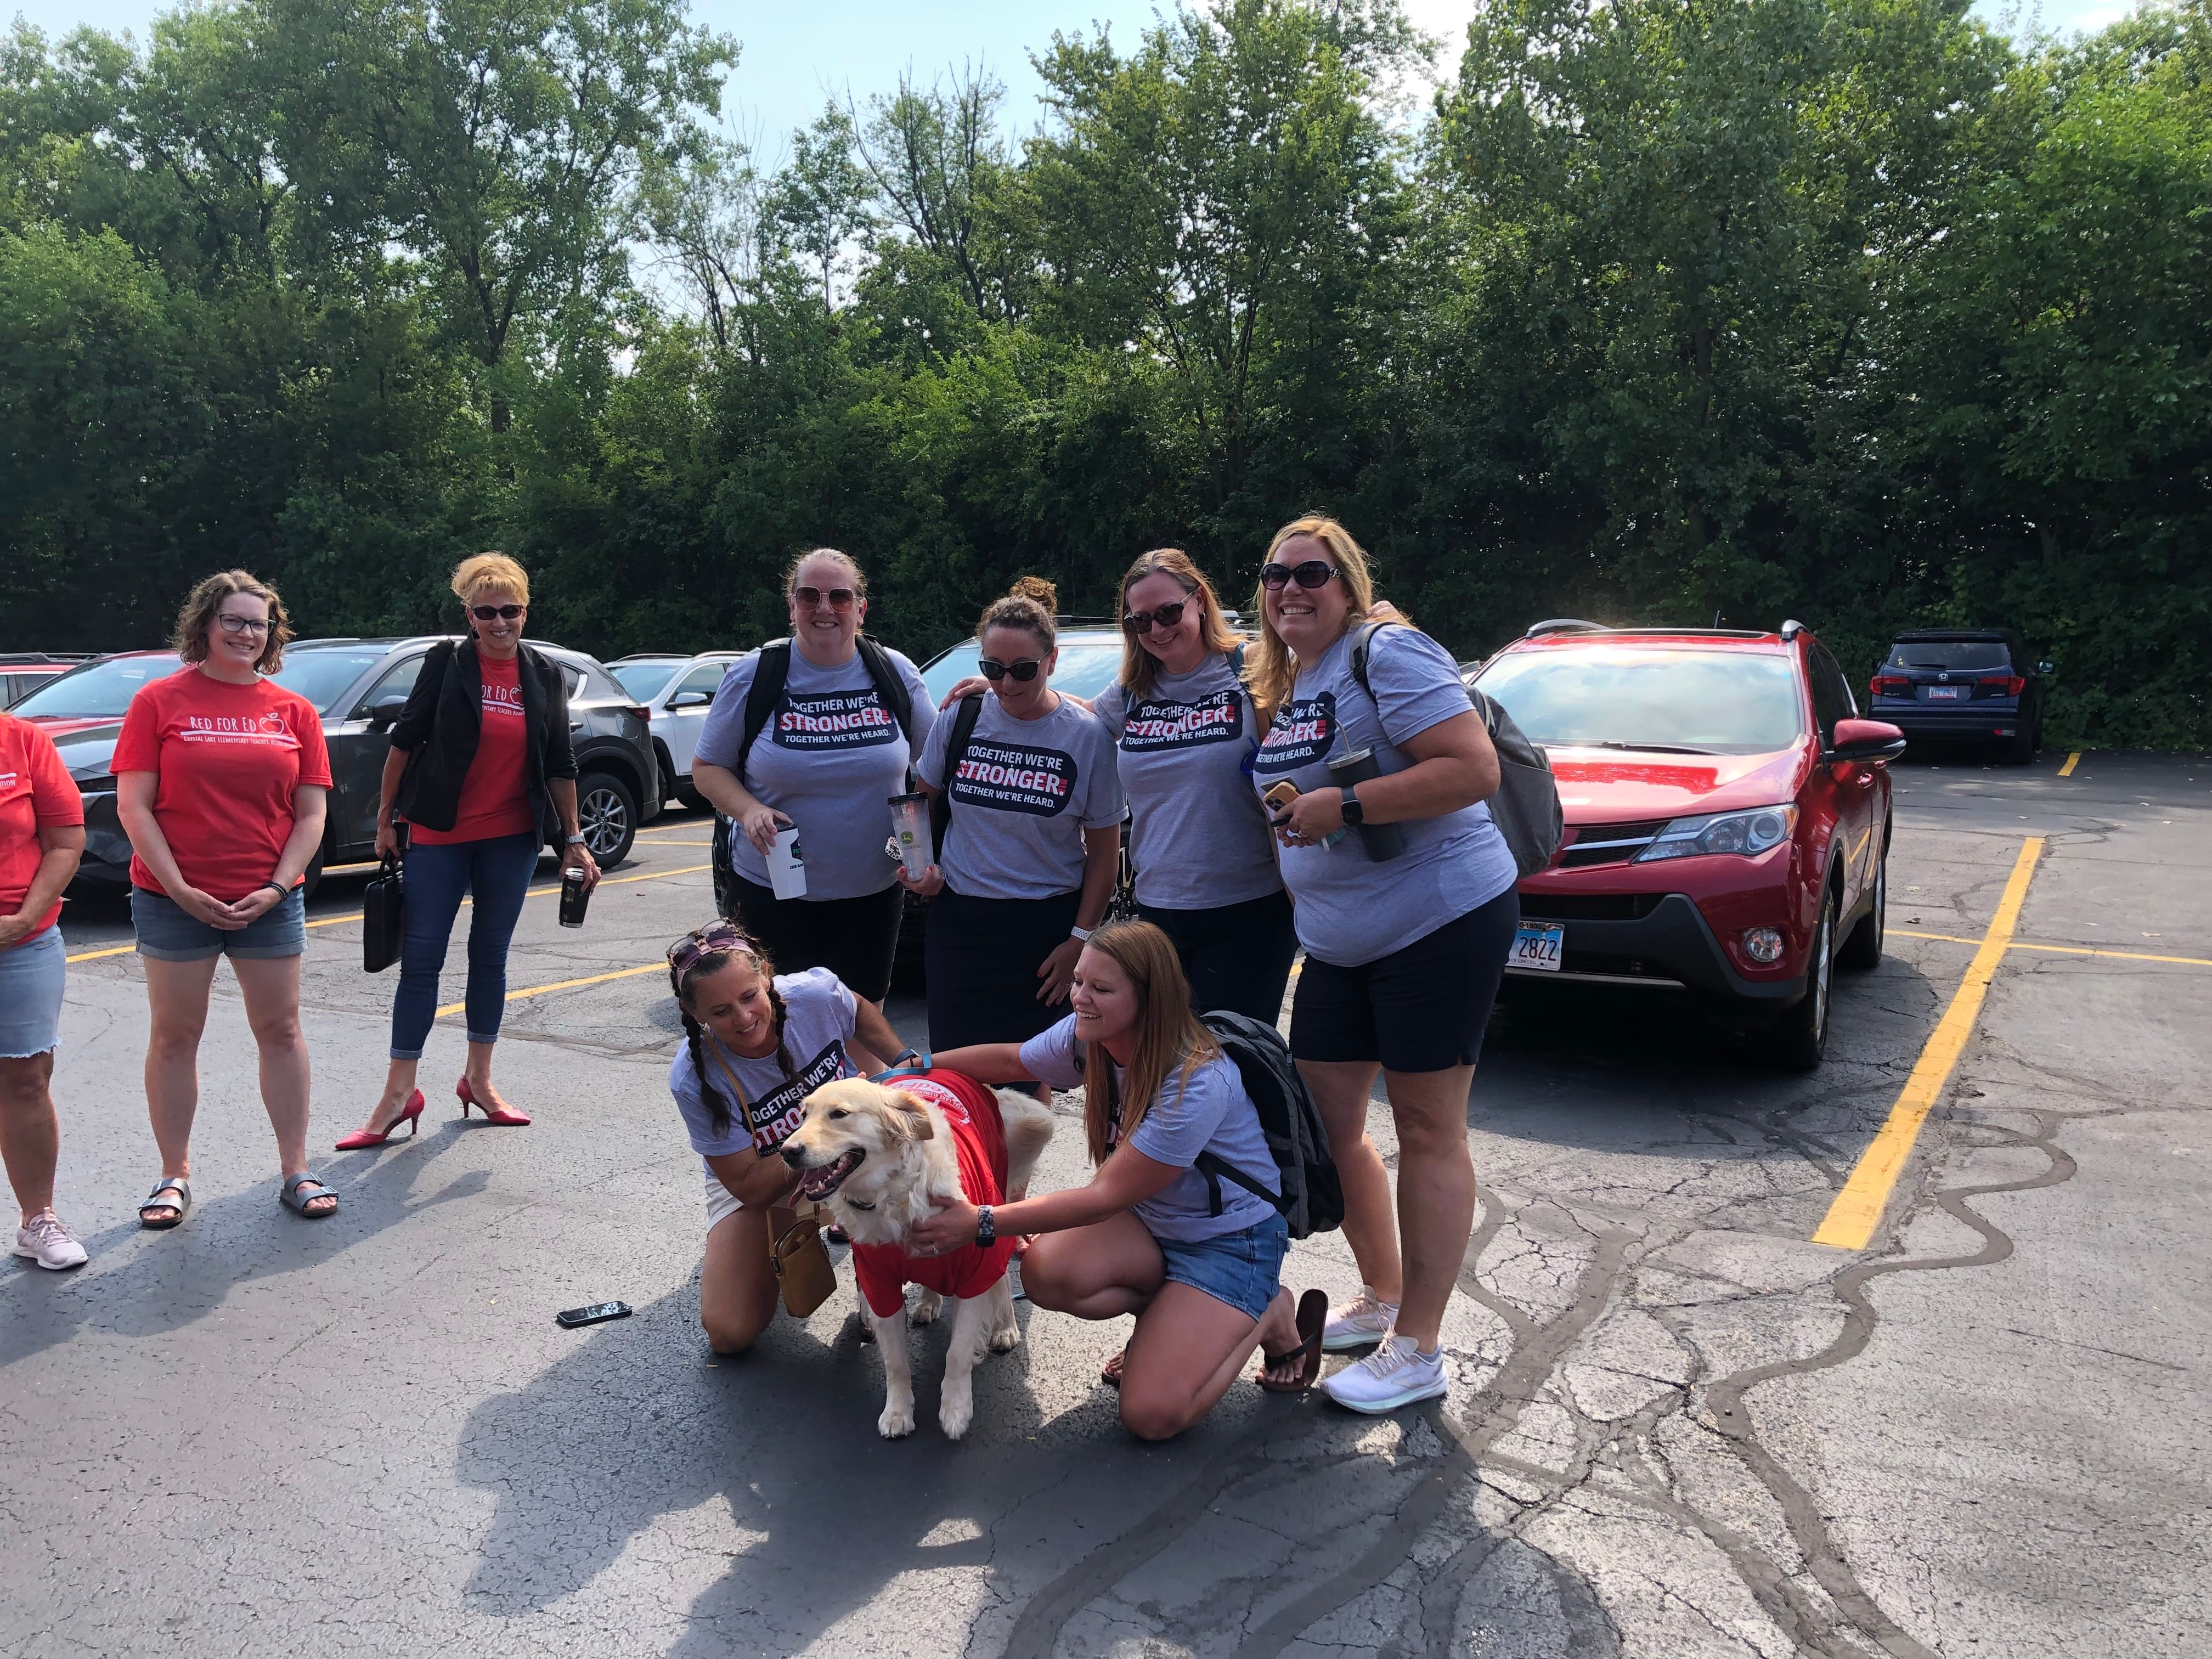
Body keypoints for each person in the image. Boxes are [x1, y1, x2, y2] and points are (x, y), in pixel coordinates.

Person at [1246, 515, 1518, 1413]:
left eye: (1311, 573)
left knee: (1428, 1124)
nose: (1291, 588)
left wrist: (1347, 803)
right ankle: (1385, 1292)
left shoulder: (1386, 653)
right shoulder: (1293, 677)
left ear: (1348, 582)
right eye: (1276, 574)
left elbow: (1471, 767)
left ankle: (1420, 1346)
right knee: (1329, 1117)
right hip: (1337, 941)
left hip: (1437, 920)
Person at [910, 919, 1327, 1440]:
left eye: (1100, 989)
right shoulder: (1092, 1036)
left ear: (1151, 1001)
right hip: (1152, 1222)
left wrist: (982, 1222)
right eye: (1080, 981)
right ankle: (1175, 1321)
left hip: (1228, 1241)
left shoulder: (1196, 1080)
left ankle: (1267, 1310)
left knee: (1151, 1416)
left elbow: (1104, 1197)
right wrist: (916, 1068)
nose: (1080, 998)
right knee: (1046, 1272)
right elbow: (1014, 1058)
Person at [338, 554, 600, 1147]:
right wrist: (386, 820)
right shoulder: (447, 663)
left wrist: (575, 840)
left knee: (491, 958)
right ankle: (399, 1094)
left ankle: (479, 1082)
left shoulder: (544, 674)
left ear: (525, 611)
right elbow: (403, 743)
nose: (500, 622)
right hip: (438, 835)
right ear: (470, 616)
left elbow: (559, 763)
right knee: (423, 960)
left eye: (511, 610)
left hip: (510, 839)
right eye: (487, 612)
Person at [115, 571, 337, 1224]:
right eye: (234, 621)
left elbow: (311, 816)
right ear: (206, 625)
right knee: (176, 1036)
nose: (247, 633)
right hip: (172, 896)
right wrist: (181, 889)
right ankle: (172, 1175)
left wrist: (276, 887)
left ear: (272, 635)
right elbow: (134, 806)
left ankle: (295, 1168)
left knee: (282, 1030)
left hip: (268, 898)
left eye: (259, 624)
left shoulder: (293, 711)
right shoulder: (159, 702)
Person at [691, 549, 935, 1012]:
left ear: (861, 608)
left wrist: (999, 693)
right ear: (792, 606)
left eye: (840, 597)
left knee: (863, 1023)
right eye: (810, 596)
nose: (825, 608)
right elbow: (707, 769)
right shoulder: (755, 674)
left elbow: (938, 761)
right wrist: (749, 809)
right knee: (777, 1025)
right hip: (772, 891)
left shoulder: (896, 673)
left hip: (871, 891)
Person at [664, 919, 912, 1353]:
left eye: (749, 997)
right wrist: (810, 1145)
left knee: (917, 1169)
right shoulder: (692, 1077)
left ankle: (870, 1261)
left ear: (767, 979)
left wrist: (902, 1061)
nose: (743, 1019)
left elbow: (856, 1008)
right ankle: (806, 1237)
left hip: (849, 1151)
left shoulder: (814, 995)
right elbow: (747, 1187)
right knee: (729, 1332)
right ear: (695, 1014)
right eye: (721, 1012)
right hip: (768, 1179)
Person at [904, 577, 1124, 1063]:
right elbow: (920, 804)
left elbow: (1105, 857)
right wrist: (919, 867)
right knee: (955, 1066)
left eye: (1023, 669)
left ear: (1052, 662)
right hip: (961, 923)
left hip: (1044, 930)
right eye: (993, 668)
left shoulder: (1086, 738)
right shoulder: (962, 716)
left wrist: (1079, 943)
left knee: (1030, 1071)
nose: (1007, 684)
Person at [1087, 549, 1296, 1024]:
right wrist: (1004, 685)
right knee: (1167, 1062)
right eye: (1140, 622)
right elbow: (1076, 721)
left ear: (1199, 600)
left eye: (1168, 613)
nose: (1157, 631)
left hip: (1249, 908)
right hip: (1158, 910)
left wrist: (1375, 621)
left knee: (1231, 1063)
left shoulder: (1253, 667)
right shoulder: (1131, 691)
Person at [1, 709, 89, 1268]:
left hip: (21, 941)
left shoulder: (21, 741)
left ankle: (38, 1220)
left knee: (26, 1081)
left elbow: (65, 840)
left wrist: (23, 918)